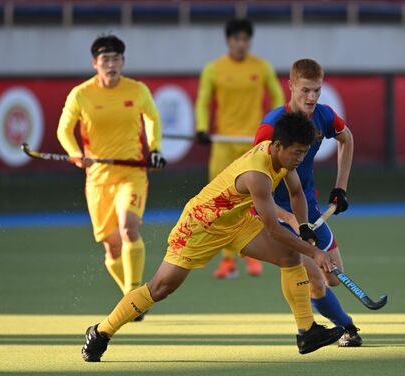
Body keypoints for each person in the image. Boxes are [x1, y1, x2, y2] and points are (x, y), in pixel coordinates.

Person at [81, 112, 346, 362]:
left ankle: (306, 331)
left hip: (236, 221)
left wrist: (303, 227)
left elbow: (297, 194)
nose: (301, 158)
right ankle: (101, 331)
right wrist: (314, 252)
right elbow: (274, 229)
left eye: (305, 152)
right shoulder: (257, 174)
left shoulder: (286, 160)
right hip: (200, 226)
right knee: (161, 288)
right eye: (297, 152)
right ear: (277, 146)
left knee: (290, 256)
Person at [253, 59, 361, 347]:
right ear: (290, 86)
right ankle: (348, 328)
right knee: (314, 275)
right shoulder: (270, 128)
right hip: (274, 214)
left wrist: (341, 187)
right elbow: (254, 188)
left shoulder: (323, 116)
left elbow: (346, 139)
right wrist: (289, 220)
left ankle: (339, 321)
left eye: (317, 90)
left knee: (333, 276)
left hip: (309, 210)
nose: (312, 98)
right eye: (305, 91)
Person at [57, 34, 165, 319]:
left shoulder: (137, 90)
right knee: (111, 246)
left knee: (129, 227)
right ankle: (131, 296)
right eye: (105, 59)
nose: (111, 64)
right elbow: (64, 130)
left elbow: (152, 118)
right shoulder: (81, 94)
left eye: (116, 59)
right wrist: (76, 154)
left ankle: (133, 294)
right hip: (98, 179)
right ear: (95, 63)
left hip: (132, 172)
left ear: (123, 62)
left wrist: (154, 149)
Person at [195, 18, 285, 279]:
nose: (241, 44)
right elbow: (202, 102)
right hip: (223, 145)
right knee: (220, 203)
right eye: (236, 39)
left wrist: (274, 126)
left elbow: (277, 98)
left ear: (250, 42)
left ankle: (251, 255)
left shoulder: (262, 67)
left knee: (255, 200)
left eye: (245, 39)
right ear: (228, 41)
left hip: (254, 146)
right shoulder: (214, 69)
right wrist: (202, 128)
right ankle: (227, 260)